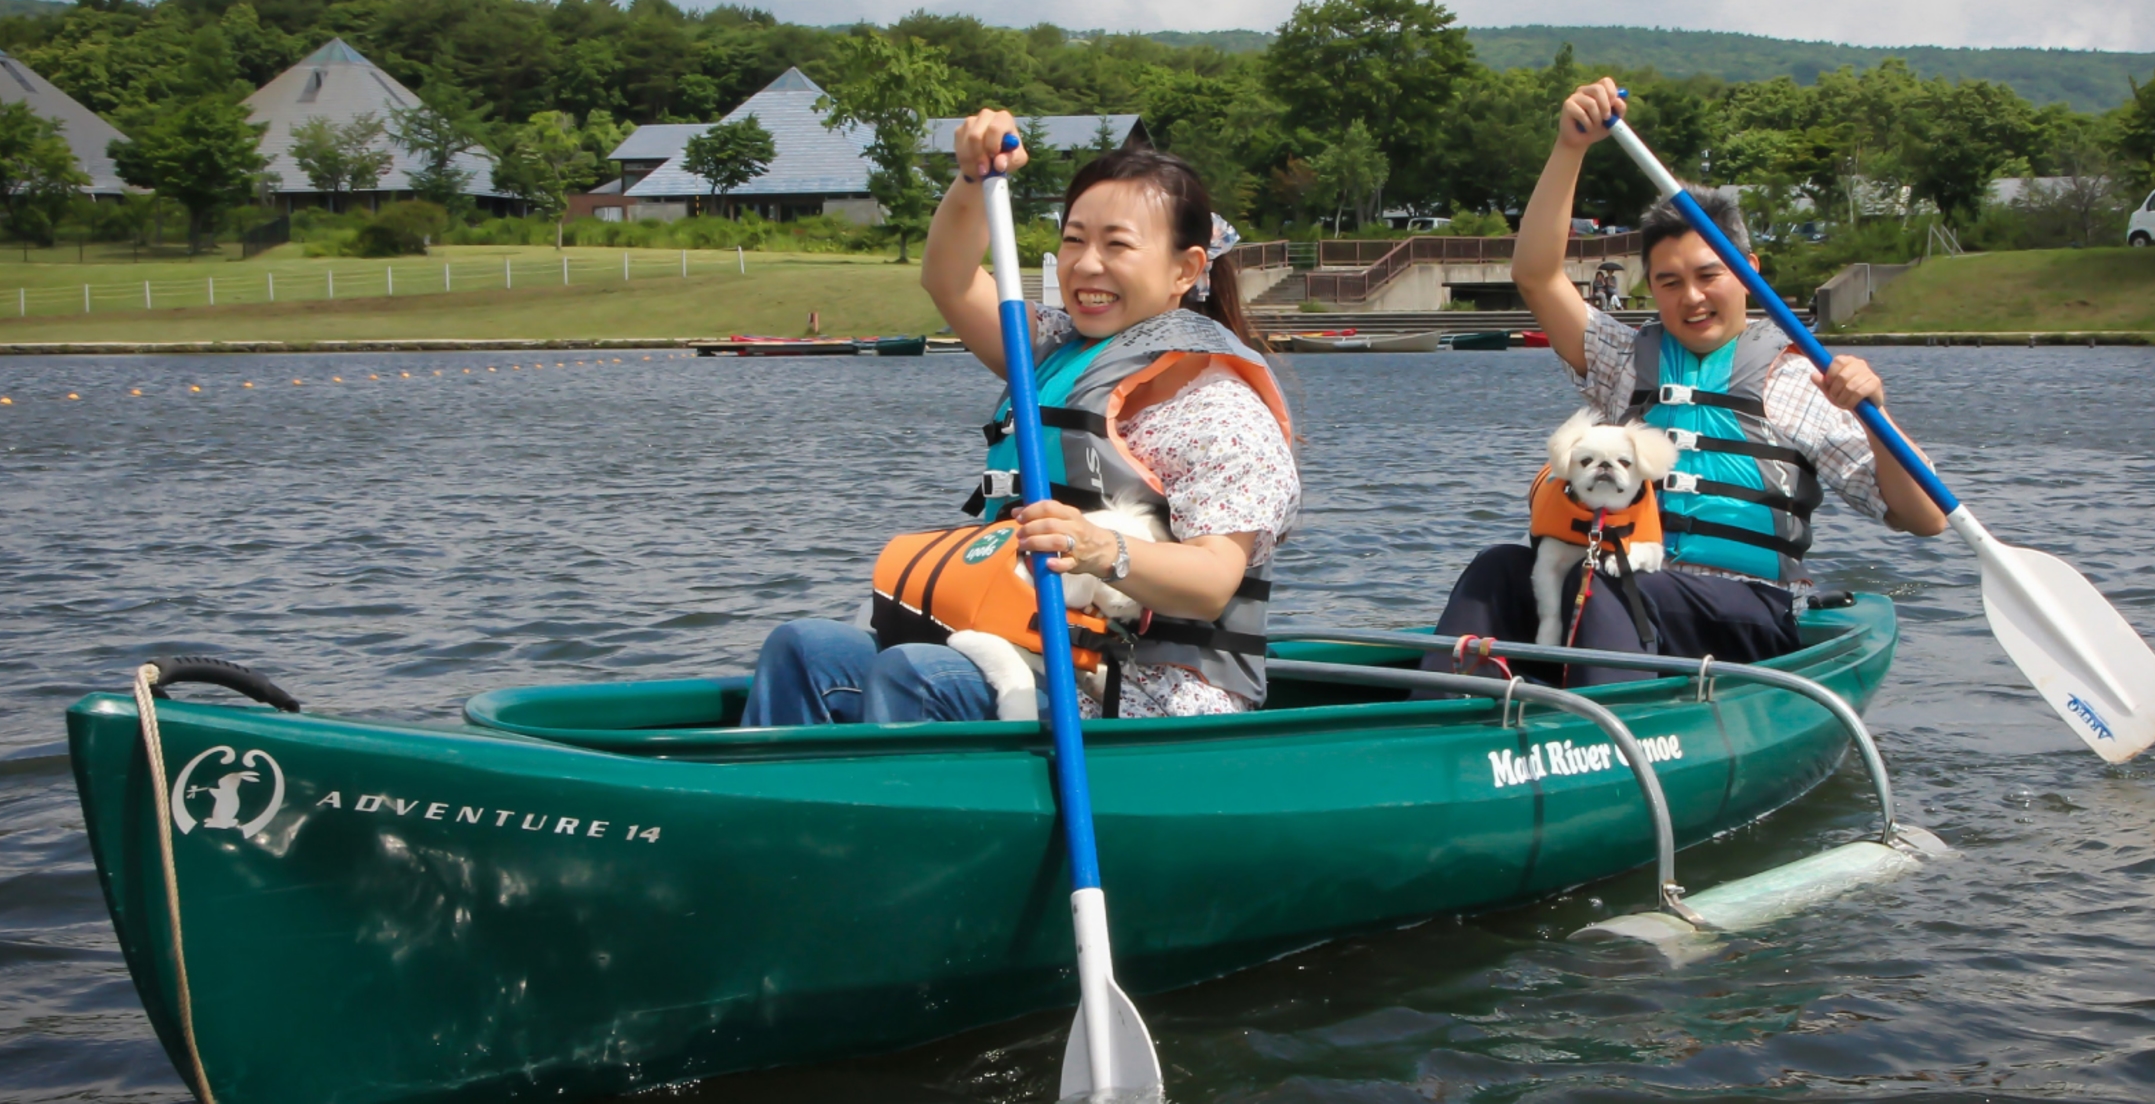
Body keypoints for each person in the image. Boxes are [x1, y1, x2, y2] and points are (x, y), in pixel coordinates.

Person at [743, 111, 1298, 725]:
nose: (1086, 265)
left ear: (1185, 270)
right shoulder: (1052, 350)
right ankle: (776, 802)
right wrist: (972, 177)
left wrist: (1098, 547)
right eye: (1073, 239)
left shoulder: (1220, 411)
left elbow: (1211, 581)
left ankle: (897, 811)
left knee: (919, 675)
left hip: (1149, 690)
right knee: (805, 649)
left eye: (1116, 245)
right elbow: (948, 280)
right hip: (1016, 649)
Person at [1425, 78, 1944, 684]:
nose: (1691, 298)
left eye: (1708, 275)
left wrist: (1872, 412)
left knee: (1607, 586)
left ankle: (1604, 743)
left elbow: (1926, 517)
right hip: (1628, 582)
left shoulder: (1803, 381)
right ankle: (1436, 716)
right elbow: (1536, 276)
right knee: (1498, 569)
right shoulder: (1626, 361)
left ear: (1748, 272)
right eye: (1669, 282)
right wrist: (1571, 149)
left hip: (1743, 614)